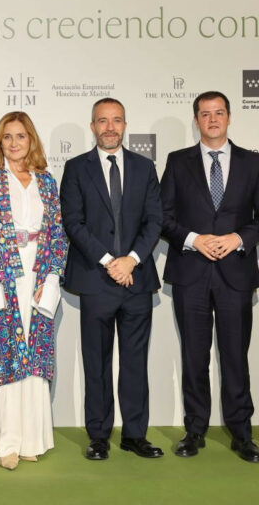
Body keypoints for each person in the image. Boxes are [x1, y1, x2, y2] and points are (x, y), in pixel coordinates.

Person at [60, 98, 163, 460]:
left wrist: (131, 260)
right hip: (95, 280)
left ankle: (135, 435)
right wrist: (109, 262)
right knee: (97, 362)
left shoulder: (144, 167)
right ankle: (99, 436)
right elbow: (73, 222)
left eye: (116, 120)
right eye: (102, 121)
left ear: (125, 125)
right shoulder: (76, 168)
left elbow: (155, 220)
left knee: (135, 363)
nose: (109, 127)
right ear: (92, 126)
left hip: (137, 280)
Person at [0, 111, 66, 470]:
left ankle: (30, 440)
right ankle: (6, 442)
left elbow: (57, 234)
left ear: (31, 140)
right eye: (7, 137)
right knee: (3, 358)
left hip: (38, 274)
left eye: (20, 136)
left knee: (34, 359)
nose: (14, 143)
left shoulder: (47, 182)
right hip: (0, 275)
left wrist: (51, 278)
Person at [161, 91, 259, 463]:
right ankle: (195, 430)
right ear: (196, 120)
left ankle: (242, 434)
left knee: (235, 356)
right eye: (205, 114)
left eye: (219, 113)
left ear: (229, 117)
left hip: (236, 274)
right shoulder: (177, 161)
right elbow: (163, 216)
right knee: (194, 356)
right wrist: (193, 239)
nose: (213, 119)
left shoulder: (253, 162)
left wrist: (238, 238)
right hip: (191, 273)